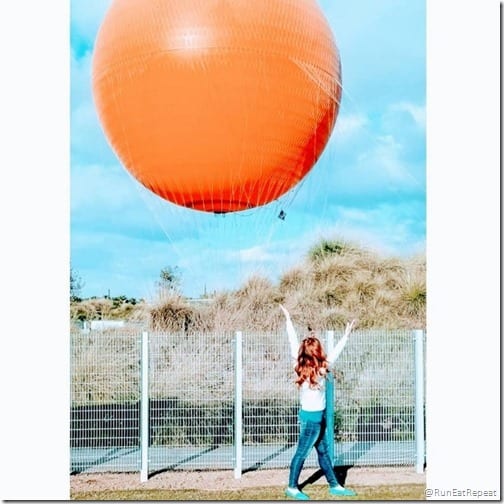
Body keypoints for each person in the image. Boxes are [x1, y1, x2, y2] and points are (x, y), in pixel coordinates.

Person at [280, 304, 357, 500]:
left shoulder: (307, 367)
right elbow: (334, 354)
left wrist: (288, 320)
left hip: (318, 418)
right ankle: (291, 487)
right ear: (316, 353)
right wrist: (346, 336)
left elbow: (292, 341)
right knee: (301, 454)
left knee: (323, 453)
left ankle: (334, 485)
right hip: (311, 421)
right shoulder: (318, 370)